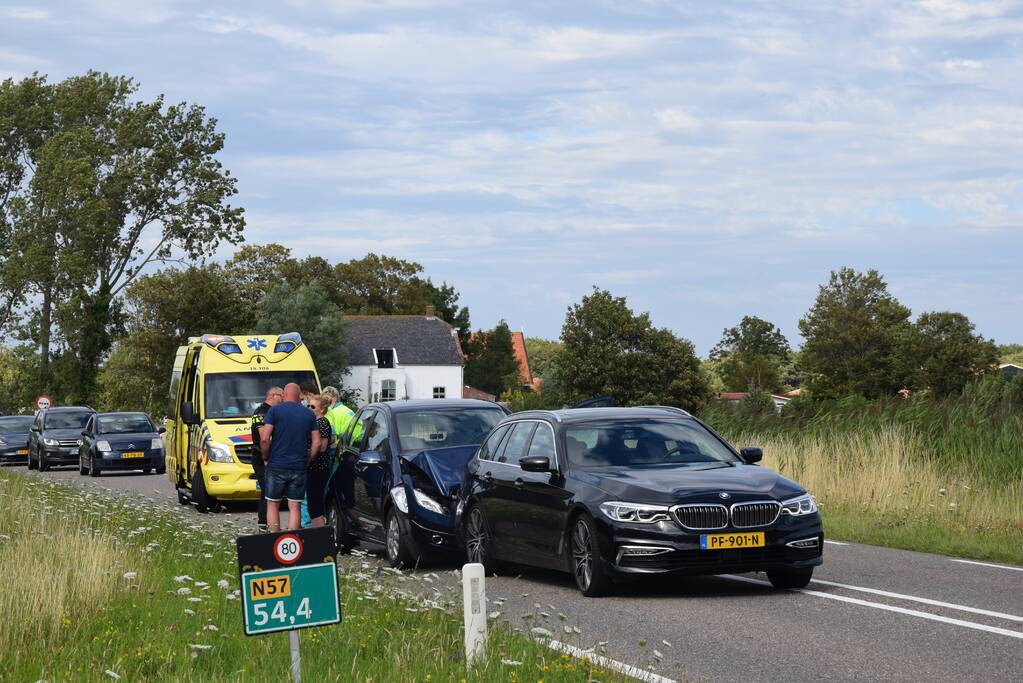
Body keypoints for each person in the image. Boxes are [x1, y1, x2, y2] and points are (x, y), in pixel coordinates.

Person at [260, 383, 321, 531]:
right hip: (299, 466)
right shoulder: (308, 414)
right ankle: (292, 541)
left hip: (276, 465)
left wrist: (266, 456)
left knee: (273, 504)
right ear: (299, 396)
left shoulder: (274, 411)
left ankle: (274, 538)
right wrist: (308, 459)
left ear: (284, 395)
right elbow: (317, 442)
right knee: (295, 506)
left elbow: (264, 438)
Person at [251, 386, 284, 532]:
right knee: (267, 492)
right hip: (262, 457)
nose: (283, 399)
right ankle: (263, 525)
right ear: (273, 395)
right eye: (281, 396)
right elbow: (265, 438)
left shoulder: (275, 412)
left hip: (274, 458)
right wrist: (267, 456)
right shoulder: (260, 413)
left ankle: (268, 525)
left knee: (272, 493)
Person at [305, 395, 335, 528]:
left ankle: (319, 532)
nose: (309, 408)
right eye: (308, 405)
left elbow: (322, 447)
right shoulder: (314, 422)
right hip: (315, 467)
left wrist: (309, 455)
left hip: (318, 468)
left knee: (315, 503)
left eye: (312, 406)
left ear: (322, 410)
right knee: (313, 502)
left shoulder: (321, 423)